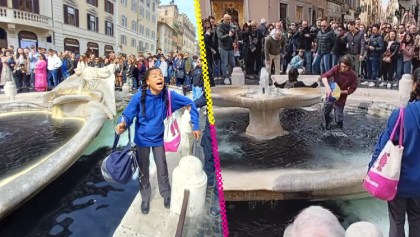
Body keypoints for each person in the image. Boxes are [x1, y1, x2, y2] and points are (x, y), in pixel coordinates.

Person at [115, 67, 201, 215]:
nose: (159, 77)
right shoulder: (138, 97)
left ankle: (166, 195)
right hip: (141, 139)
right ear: (148, 81)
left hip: (158, 139)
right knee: (143, 171)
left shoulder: (169, 96)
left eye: (160, 75)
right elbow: (127, 115)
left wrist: (196, 124)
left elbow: (191, 104)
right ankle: (145, 198)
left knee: (162, 168)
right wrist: (122, 124)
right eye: (154, 76)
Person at [368, 68, 420, 237]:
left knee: (397, 223)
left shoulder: (401, 114)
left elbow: (384, 146)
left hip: (399, 182)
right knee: (417, 221)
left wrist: (371, 168)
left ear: (414, 85)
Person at [191, 58, 220, 217]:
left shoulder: (213, 78)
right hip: (210, 123)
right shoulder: (205, 79)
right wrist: (190, 104)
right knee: (207, 151)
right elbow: (204, 97)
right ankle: (209, 180)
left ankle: (218, 197)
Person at [321, 55, 358, 130]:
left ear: (349, 67)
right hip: (332, 93)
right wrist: (328, 88)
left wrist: (342, 92)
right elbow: (324, 77)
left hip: (341, 97)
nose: (343, 68)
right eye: (342, 66)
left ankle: (339, 128)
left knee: (339, 116)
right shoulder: (336, 68)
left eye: (345, 67)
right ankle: (327, 125)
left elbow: (353, 88)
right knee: (326, 111)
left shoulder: (353, 75)